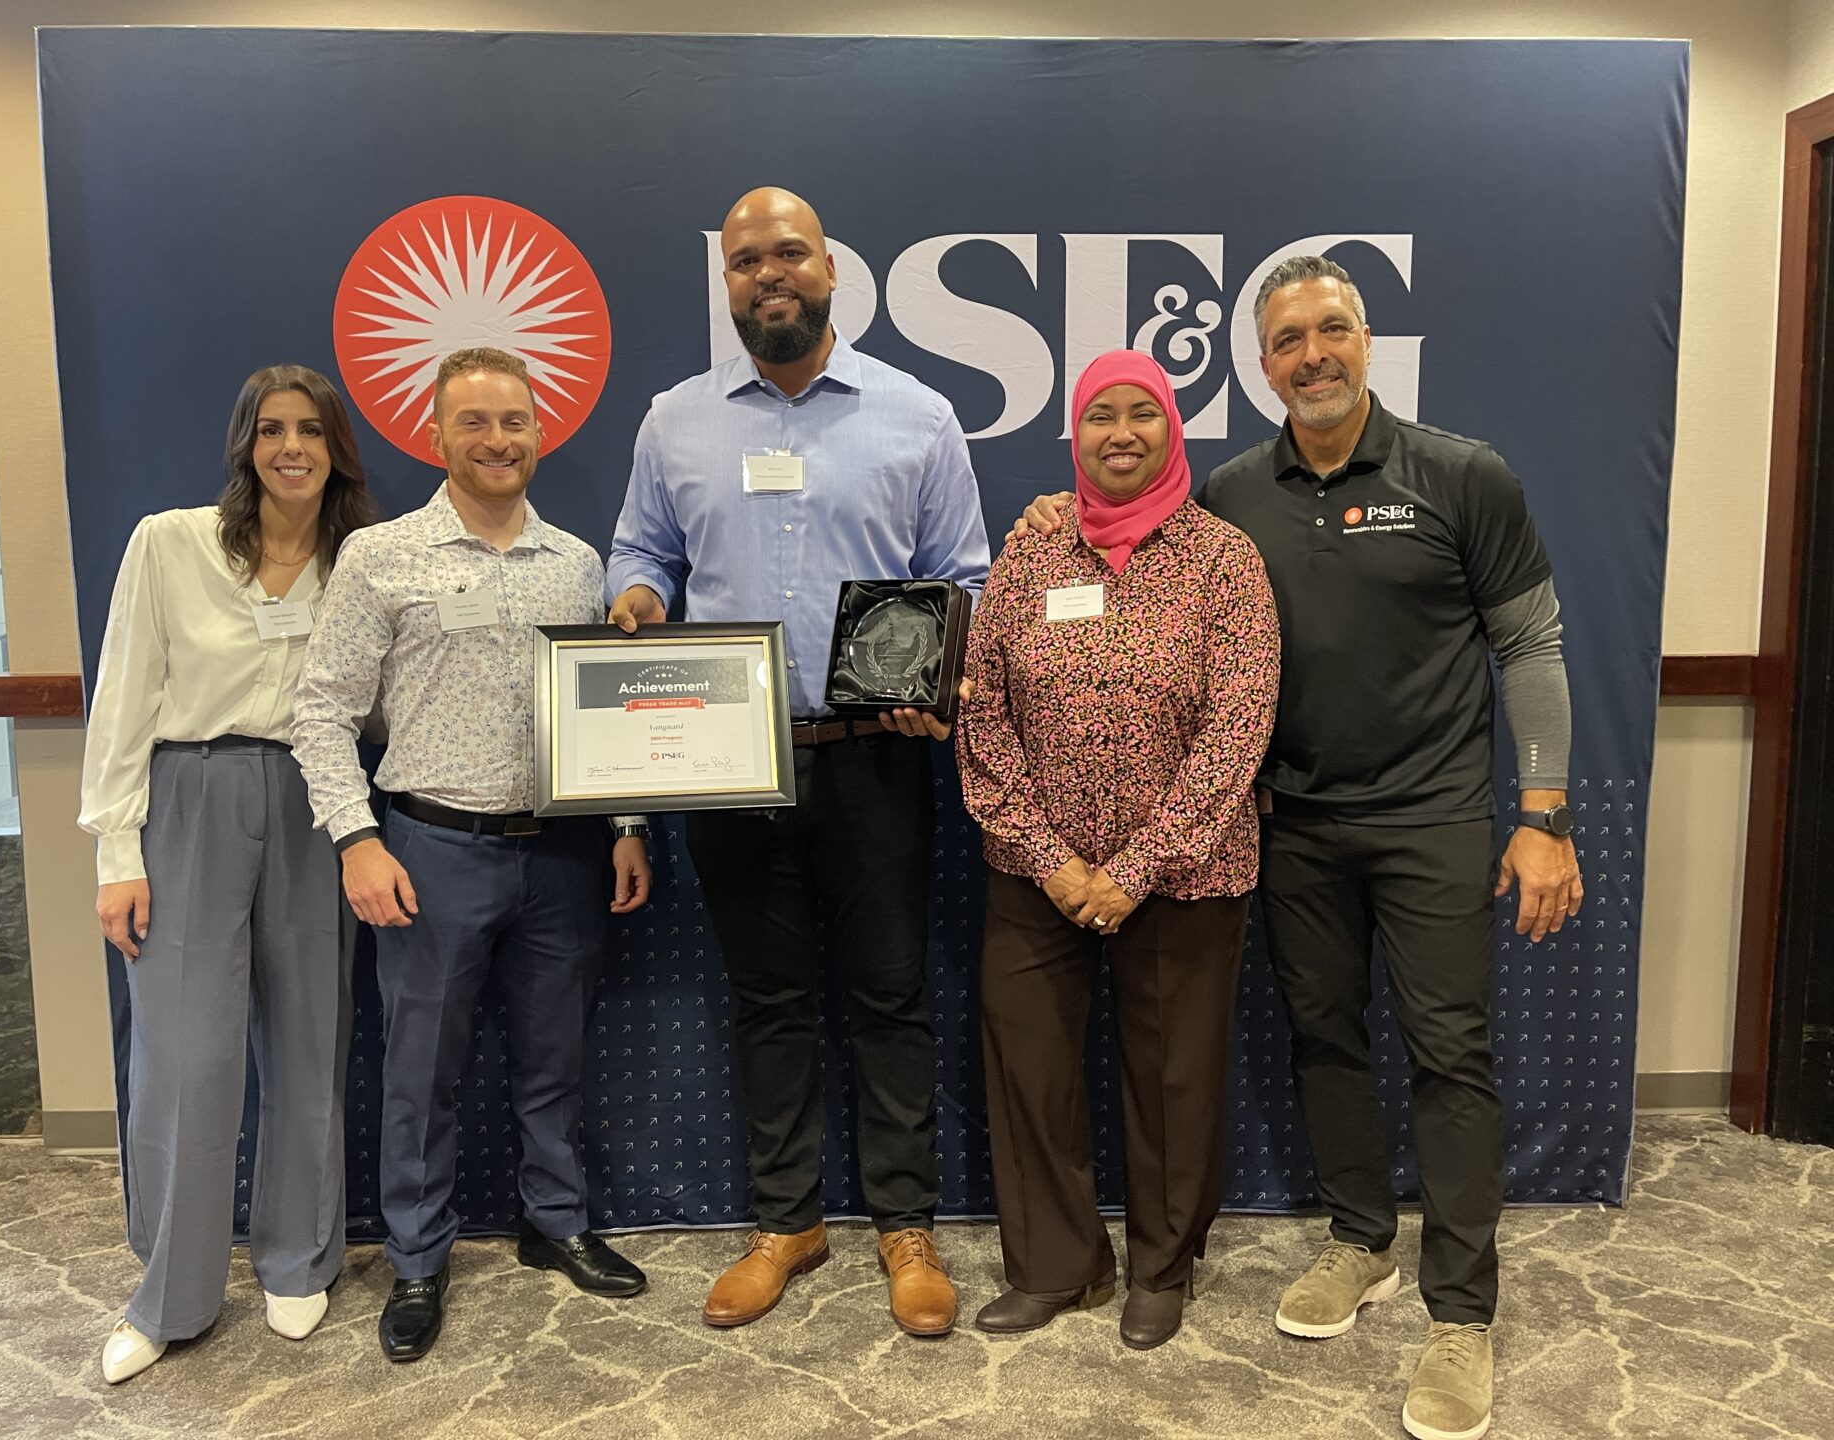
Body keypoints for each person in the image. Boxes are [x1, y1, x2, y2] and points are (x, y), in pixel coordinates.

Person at [1017, 257, 1579, 1439]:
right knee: (1325, 1039)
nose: (1312, 355)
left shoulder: (1461, 475)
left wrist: (1543, 816)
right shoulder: (1229, 492)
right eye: (1287, 340)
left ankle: (1461, 1312)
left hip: (1434, 817)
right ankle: (1361, 1240)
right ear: (1259, 363)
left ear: (1366, 340)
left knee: (1449, 1055)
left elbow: (1530, 645)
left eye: (1332, 330)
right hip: (1296, 824)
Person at [606, 186, 990, 1336]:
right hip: (727, 758)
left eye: (789, 254)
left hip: (875, 753)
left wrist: (935, 681)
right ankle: (788, 1222)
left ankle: (905, 1227)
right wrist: (635, 596)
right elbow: (642, 550)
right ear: (724, 283)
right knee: (768, 1001)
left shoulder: (917, 414)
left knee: (889, 996)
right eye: (744, 261)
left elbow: (962, 577)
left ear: (832, 272)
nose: (768, 274)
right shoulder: (674, 420)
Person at [291, 346, 653, 1364]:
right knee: (420, 1072)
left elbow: (610, 716)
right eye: (475, 423)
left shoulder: (578, 566)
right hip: (429, 848)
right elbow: (319, 713)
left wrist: (627, 829)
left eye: (515, 422)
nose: (498, 440)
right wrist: (357, 841)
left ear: (541, 432)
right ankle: (417, 1258)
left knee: (555, 1058)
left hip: (565, 856)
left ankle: (557, 1222)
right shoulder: (382, 557)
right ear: (435, 434)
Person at [958, 351, 1278, 1350]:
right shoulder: (1031, 555)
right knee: (1030, 1063)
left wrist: (1139, 866)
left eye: (1144, 414)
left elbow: (1241, 722)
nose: (1123, 433)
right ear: (1075, 437)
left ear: (1174, 429)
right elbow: (983, 715)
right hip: (1036, 872)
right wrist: (1048, 856)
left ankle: (1162, 1266)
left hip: (1187, 873)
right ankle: (1057, 1265)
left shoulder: (1225, 559)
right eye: (1102, 417)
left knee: (1175, 1076)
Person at [78, 364, 378, 1383]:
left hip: (315, 802)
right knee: (184, 1060)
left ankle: (299, 1260)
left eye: (311, 431)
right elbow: (122, 702)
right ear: (245, 445)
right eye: (271, 431)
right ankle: (170, 1293)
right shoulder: (171, 543)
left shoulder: (363, 563)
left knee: (308, 1041)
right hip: (189, 799)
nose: (291, 447)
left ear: (338, 448)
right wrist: (118, 853)